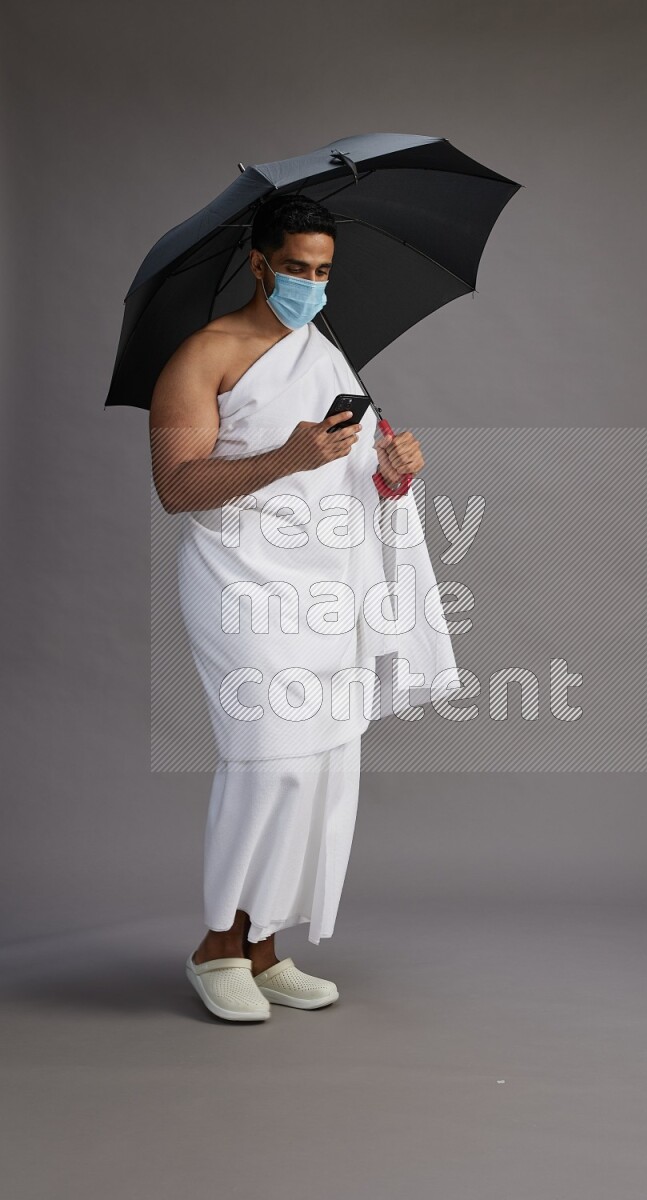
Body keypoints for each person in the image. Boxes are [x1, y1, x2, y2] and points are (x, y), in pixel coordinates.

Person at [150, 195, 460, 1023]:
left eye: (324, 272)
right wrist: (288, 455)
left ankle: (264, 946)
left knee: (322, 766)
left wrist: (394, 470)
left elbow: (350, 474)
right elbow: (177, 486)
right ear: (259, 264)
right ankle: (217, 945)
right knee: (270, 759)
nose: (312, 285)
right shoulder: (202, 355)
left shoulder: (327, 353)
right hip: (241, 581)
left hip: (328, 580)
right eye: (297, 269)